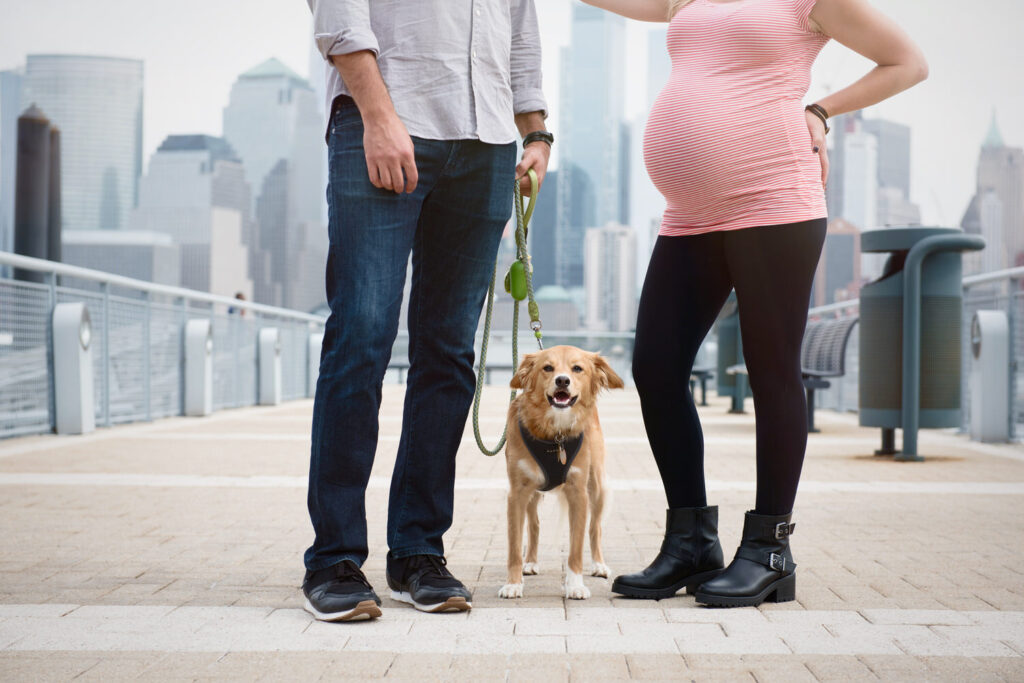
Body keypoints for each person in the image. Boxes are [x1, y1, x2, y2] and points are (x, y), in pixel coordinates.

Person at [580, 0, 927, 606]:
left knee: (771, 372)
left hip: (774, 202)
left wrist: (820, 110)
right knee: (656, 369)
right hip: (690, 214)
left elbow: (908, 63)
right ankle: (691, 543)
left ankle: (770, 548)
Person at [303, 0, 551, 621]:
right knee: (362, 336)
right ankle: (334, 557)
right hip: (386, 123)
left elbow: (520, 35)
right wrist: (379, 117)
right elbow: (339, 16)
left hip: (488, 145)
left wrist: (536, 133)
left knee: (448, 354)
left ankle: (418, 551)